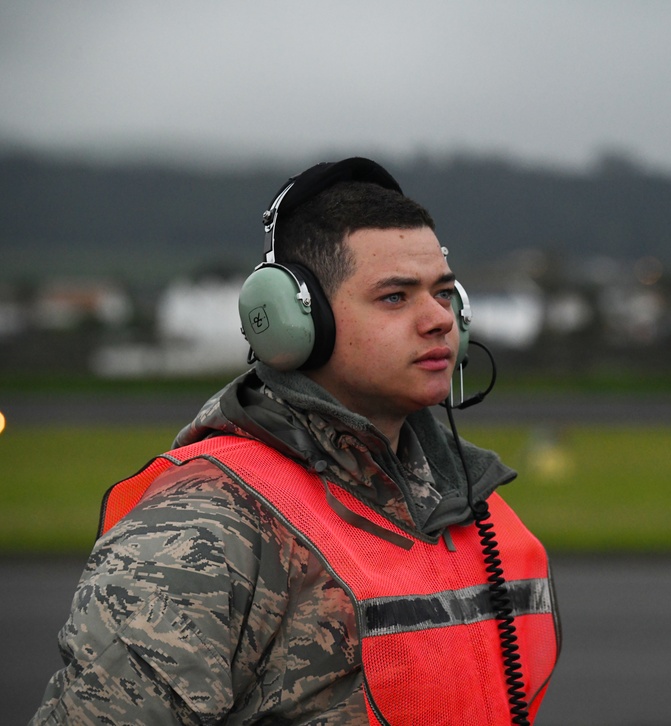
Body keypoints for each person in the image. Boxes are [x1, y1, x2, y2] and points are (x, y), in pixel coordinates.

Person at [31, 158, 560, 725]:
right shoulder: (203, 527)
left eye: (444, 292)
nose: (439, 320)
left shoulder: (479, 511)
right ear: (291, 325)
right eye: (395, 297)